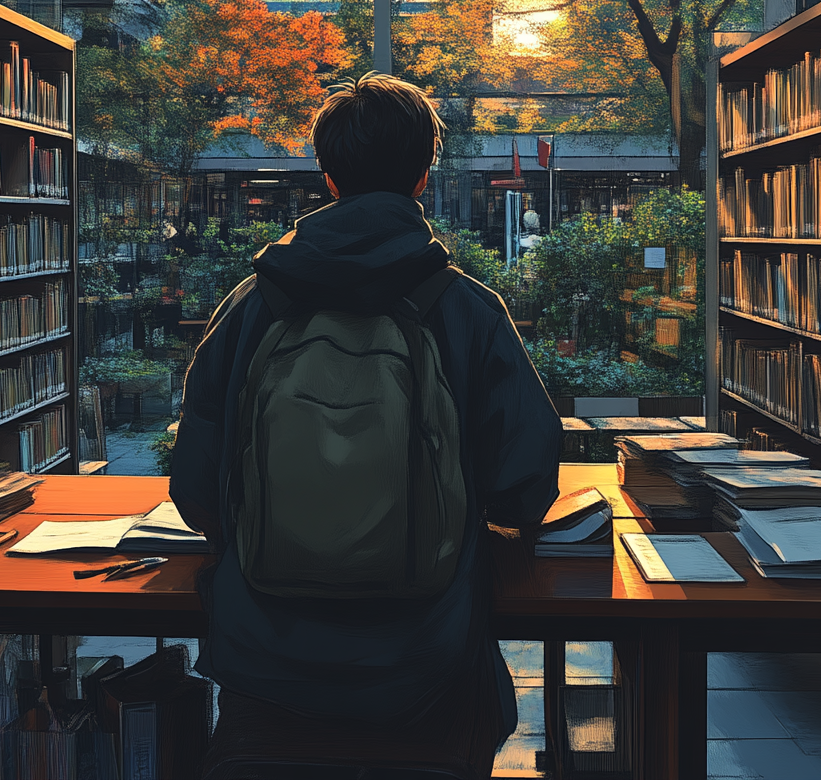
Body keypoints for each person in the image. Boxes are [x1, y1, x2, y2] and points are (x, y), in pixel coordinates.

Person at [170, 71, 564, 778]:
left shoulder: (252, 307)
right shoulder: (469, 311)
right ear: (423, 176)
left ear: (327, 176)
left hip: (267, 667)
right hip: (428, 665)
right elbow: (524, 489)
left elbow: (196, 491)